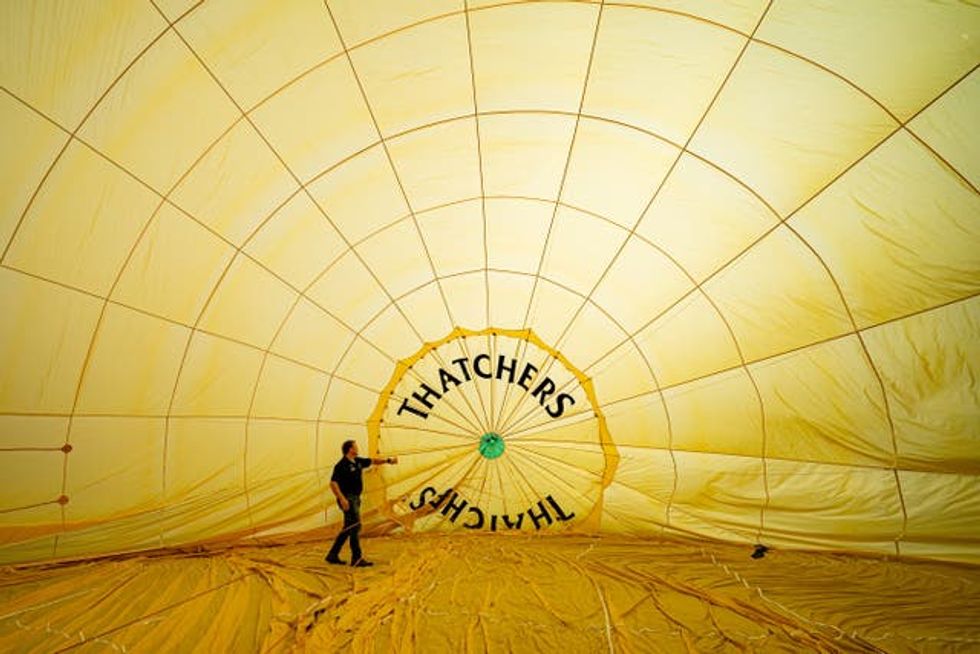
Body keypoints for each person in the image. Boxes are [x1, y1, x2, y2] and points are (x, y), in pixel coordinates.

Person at [325, 439, 397, 567]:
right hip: (348, 498)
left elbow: (373, 461)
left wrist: (388, 461)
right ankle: (356, 558)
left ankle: (332, 554)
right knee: (355, 527)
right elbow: (333, 483)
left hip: (356, 498)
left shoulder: (358, 461)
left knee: (348, 527)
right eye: (355, 447)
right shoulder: (341, 465)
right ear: (350, 449)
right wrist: (342, 499)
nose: (358, 448)